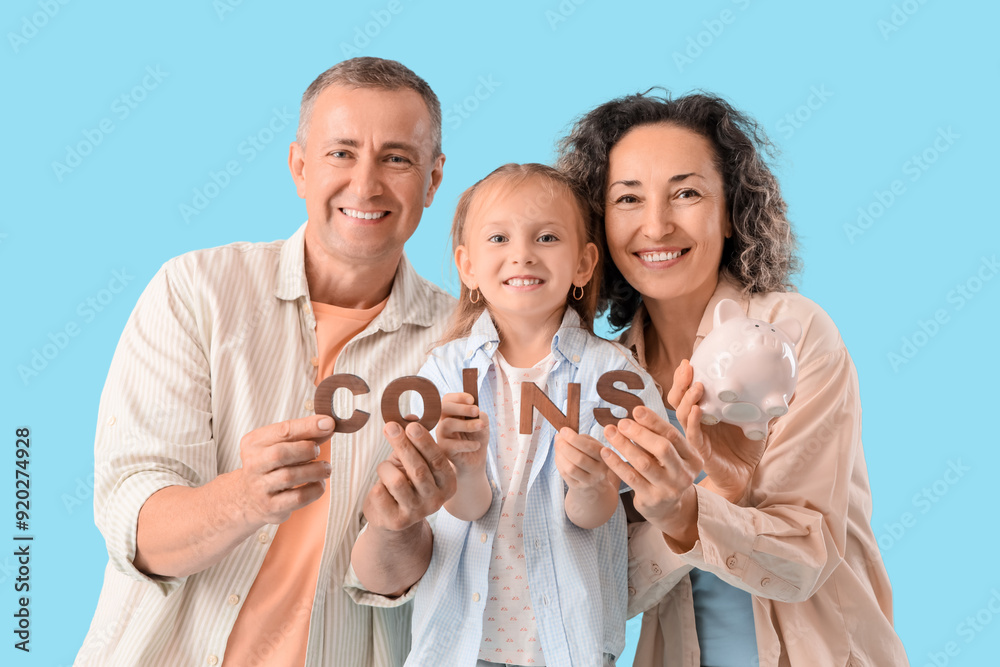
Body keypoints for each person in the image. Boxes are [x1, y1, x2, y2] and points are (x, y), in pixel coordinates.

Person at [75, 57, 459, 667]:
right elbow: (137, 532)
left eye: (397, 158)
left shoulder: (463, 344)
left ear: (433, 180)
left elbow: (403, 585)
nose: (366, 185)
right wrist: (245, 498)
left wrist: (398, 528)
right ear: (299, 167)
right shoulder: (195, 291)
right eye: (341, 153)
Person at [557, 91, 910, 666]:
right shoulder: (606, 376)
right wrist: (683, 510)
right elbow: (602, 595)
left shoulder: (792, 336)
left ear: (729, 210)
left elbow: (806, 556)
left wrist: (687, 514)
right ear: (598, 223)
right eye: (627, 199)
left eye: (686, 193)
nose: (656, 225)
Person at [353, 163, 667, 666]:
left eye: (546, 237)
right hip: (459, 641)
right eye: (498, 238)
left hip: (567, 643)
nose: (522, 254)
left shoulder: (611, 374)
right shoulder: (446, 369)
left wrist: (591, 486)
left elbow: (595, 516)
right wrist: (469, 470)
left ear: (584, 265)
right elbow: (466, 507)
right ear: (468, 266)